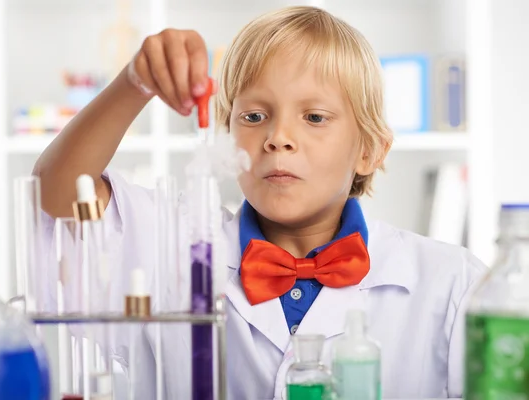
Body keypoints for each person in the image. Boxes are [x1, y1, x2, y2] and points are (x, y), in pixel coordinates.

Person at [34, 6, 487, 399]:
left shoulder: (453, 286)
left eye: (314, 117)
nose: (278, 138)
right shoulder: (173, 246)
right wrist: (134, 82)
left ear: (369, 150)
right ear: (229, 137)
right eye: (253, 116)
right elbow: (58, 193)